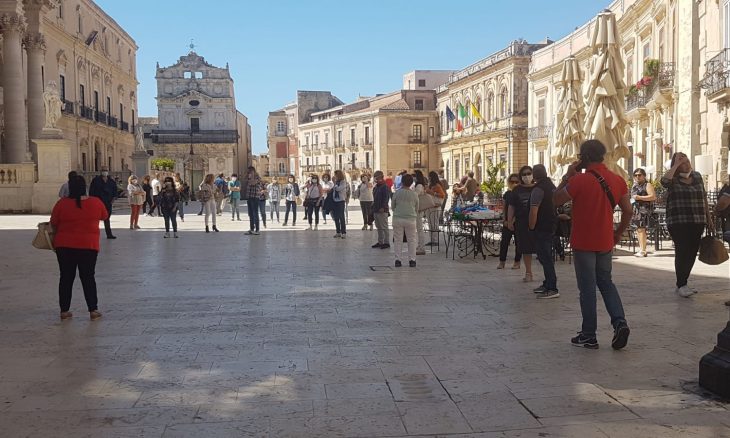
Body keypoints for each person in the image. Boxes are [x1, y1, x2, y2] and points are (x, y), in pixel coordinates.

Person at [553, 139, 632, 350]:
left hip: (584, 241)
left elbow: (555, 200)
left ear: (584, 158)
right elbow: (628, 211)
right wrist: (618, 233)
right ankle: (619, 322)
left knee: (587, 289)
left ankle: (589, 335)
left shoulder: (580, 180)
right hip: (605, 239)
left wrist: (567, 176)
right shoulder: (617, 180)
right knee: (606, 283)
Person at [50, 175, 108, 321]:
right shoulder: (96, 202)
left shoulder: (61, 204)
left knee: (66, 277)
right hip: (88, 245)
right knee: (88, 277)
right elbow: (104, 216)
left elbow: (53, 222)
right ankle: (93, 309)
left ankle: (64, 310)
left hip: (64, 245)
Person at [661, 152, 713, 297]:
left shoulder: (697, 176)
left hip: (697, 220)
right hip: (678, 221)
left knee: (692, 252)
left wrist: (709, 218)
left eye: (687, 160)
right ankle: (681, 284)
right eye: (682, 162)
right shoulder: (672, 179)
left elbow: (703, 197)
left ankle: (683, 282)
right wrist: (676, 164)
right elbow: (664, 182)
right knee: (682, 251)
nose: (686, 163)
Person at [529, 164, 559, 299]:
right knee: (546, 256)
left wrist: (531, 226)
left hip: (541, 226)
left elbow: (534, 210)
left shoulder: (538, 189)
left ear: (534, 176)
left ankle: (552, 287)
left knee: (545, 257)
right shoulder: (552, 187)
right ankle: (547, 283)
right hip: (551, 224)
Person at [507, 166, 536, 282]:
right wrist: (509, 220)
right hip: (522, 222)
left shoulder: (538, 188)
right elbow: (511, 206)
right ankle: (528, 272)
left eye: (529, 173)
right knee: (525, 248)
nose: (527, 176)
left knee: (541, 248)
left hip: (538, 222)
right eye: (524, 174)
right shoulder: (517, 190)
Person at [392, 173, 419, 267]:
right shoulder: (414, 194)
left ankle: (398, 260)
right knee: (411, 240)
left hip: (398, 218)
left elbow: (393, 206)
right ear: (411, 182)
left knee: (398, 240)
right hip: (411, 219)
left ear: (402, 182)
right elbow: (417, 207)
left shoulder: (396, 193)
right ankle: (412, 260)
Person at [630, 168, 656, 257]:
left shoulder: (647, 185)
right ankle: (641, 248)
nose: (637, 177)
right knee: (638, 229)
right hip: (636, 210)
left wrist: (639, 197)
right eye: (635, 175)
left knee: (642, 229)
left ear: (644, 176)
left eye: (639, 175)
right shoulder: (635, 185)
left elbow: (652, 197)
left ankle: (643, 250)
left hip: (644, 210)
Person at [498, 173, 522, 270]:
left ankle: (517, 262)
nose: (514, 183)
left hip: (518, 221)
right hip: (507, 222)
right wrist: (505, 220)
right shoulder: (507, 194)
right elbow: (504, 208)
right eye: (512, 181)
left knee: (518, 243)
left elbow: (520, 209)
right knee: (504, 242)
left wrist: (513, 220)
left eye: (517, 181)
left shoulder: (521, 194)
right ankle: (502, 262)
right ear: (509, 182)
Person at [89, 166, 118, 239]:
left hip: (108, 202)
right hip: (98, 202)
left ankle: (109, 234)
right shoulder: (95, 180)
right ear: (100, 171)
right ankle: (93, 233)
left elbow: (115, 191)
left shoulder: (111, 181)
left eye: (106, 170)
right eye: (103, 170)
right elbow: (91, 192)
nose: (105, 171)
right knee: (96, 219)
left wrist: (113, 199)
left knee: (107, 218)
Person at [425, 171, 446, 246]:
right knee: (430, 224)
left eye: (429, 176)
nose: (428, 178)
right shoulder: (431, 185)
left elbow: (442, 195)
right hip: (430, 207)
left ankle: (435, 240)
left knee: (434, 224)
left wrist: (432, 193)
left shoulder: (437, 185)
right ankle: (432, 240)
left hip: (435, 207)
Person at [372, 170, 391, 249]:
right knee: (379, 226)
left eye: (376, 176)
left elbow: (386, 198)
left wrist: (383, 207)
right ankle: (380, 241)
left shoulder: (385, 187)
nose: (375, 178)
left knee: (384, 226)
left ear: (381, 177)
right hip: (376, 209)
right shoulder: (376, 186)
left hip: (382, 210)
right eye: (375, 176)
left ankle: (386, 242)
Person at [413, 170, 428, 255]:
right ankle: (420, 246)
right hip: (418, 209)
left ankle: (421, 247)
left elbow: (415, 195)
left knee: (419, 229)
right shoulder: (419, 185)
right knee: (419, 228)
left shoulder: (419, 185)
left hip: (418, 209)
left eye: (414, 176)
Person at [244, 167, 263, 235]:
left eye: (250, 171)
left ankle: (257, 230)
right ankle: (251, 229)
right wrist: (248, 176)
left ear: (253, 171)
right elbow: (246, 181)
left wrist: (251, 177)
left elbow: (253, 183)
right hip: (249, 197)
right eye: (248, 172)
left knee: (255, 213)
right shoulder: (248, 177)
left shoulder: (257, 177)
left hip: (255, 197)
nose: (249, 173)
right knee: (250, 214)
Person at [331, 170, 348, 238]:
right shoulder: (336, 183)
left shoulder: (343, 182)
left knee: (341, 216)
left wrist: (334, 183)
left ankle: (343, 232)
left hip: (341, 201)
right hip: (335, 201)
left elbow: (338, 189)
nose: (335, 176)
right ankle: (338, 232)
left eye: (336, 175)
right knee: (336, 217)